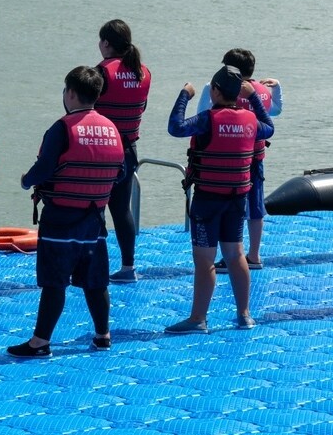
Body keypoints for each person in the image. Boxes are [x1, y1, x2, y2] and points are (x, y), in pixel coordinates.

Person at [7, 66, 125, 358]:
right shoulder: (112, 129)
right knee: (95, 282)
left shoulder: (62, 128)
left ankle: (39, 342)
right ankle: (102, 335)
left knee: (54, 282)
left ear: (71, 93)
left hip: (61, 218)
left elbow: (44, 168)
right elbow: (120, 173)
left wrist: (25, 180)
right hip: (95, 220)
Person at [166, 65, 274, 333]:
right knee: (236, 253)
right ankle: (244, 314)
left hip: (207, 201)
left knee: (204, 259)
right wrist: (253, 99)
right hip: (236, 198)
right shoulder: (250, 120)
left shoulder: (207, 120)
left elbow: (176, 127)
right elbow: (269, 128)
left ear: (214, 91)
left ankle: (198, 318)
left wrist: (184, 95)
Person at [198, 49, 281, 272]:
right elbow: (276, 111)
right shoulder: (262, 91)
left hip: (234, 160)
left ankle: (234, 256)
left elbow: (206, 116)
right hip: (257, 156)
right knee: (256, 206)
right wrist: (278, 87)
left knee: (235, 209)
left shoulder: (230, 92)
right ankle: (254, 255)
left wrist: (208, 90)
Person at [94, 20, 152, 284]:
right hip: (129, 150)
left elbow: (84, 106)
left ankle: (94, 265)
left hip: (100, 151)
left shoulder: (102, 72)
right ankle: (128, 267)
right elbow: (142, 106)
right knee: (121, 209)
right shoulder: (143, 72)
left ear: (106, 43)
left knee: (94, 208)